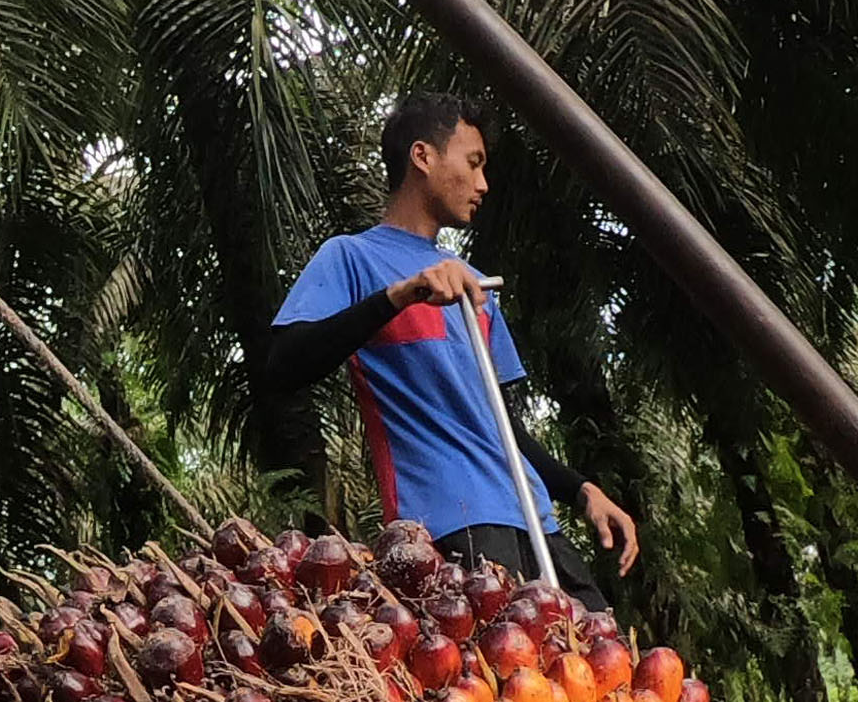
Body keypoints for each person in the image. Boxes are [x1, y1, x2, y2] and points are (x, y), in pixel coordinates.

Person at [266, 93, 640, 600]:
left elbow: (500, 425)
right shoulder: (351, 258)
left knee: (603, 665)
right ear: (423, 157)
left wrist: (581, 490)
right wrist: (399, 295)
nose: (484, 184)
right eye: (474, 163)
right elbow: (284, 365)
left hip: (536, 524)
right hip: (450, 525)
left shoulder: (477, 288)